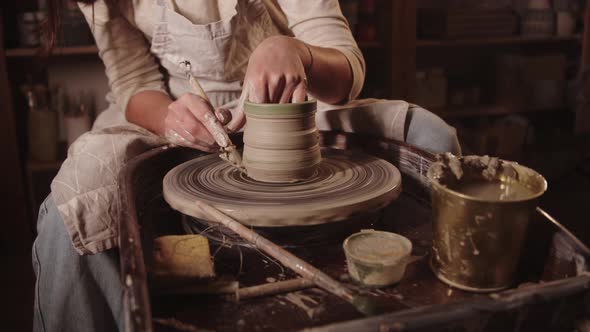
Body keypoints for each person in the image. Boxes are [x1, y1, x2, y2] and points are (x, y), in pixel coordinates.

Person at [34, 1, 461, 331]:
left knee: (430, 138)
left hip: (291, 109)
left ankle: (448, 310)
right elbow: (133, 83)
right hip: (180, 113)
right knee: (72, 212)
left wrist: (294, 52)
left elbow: (346, 69)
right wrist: (169, 118)